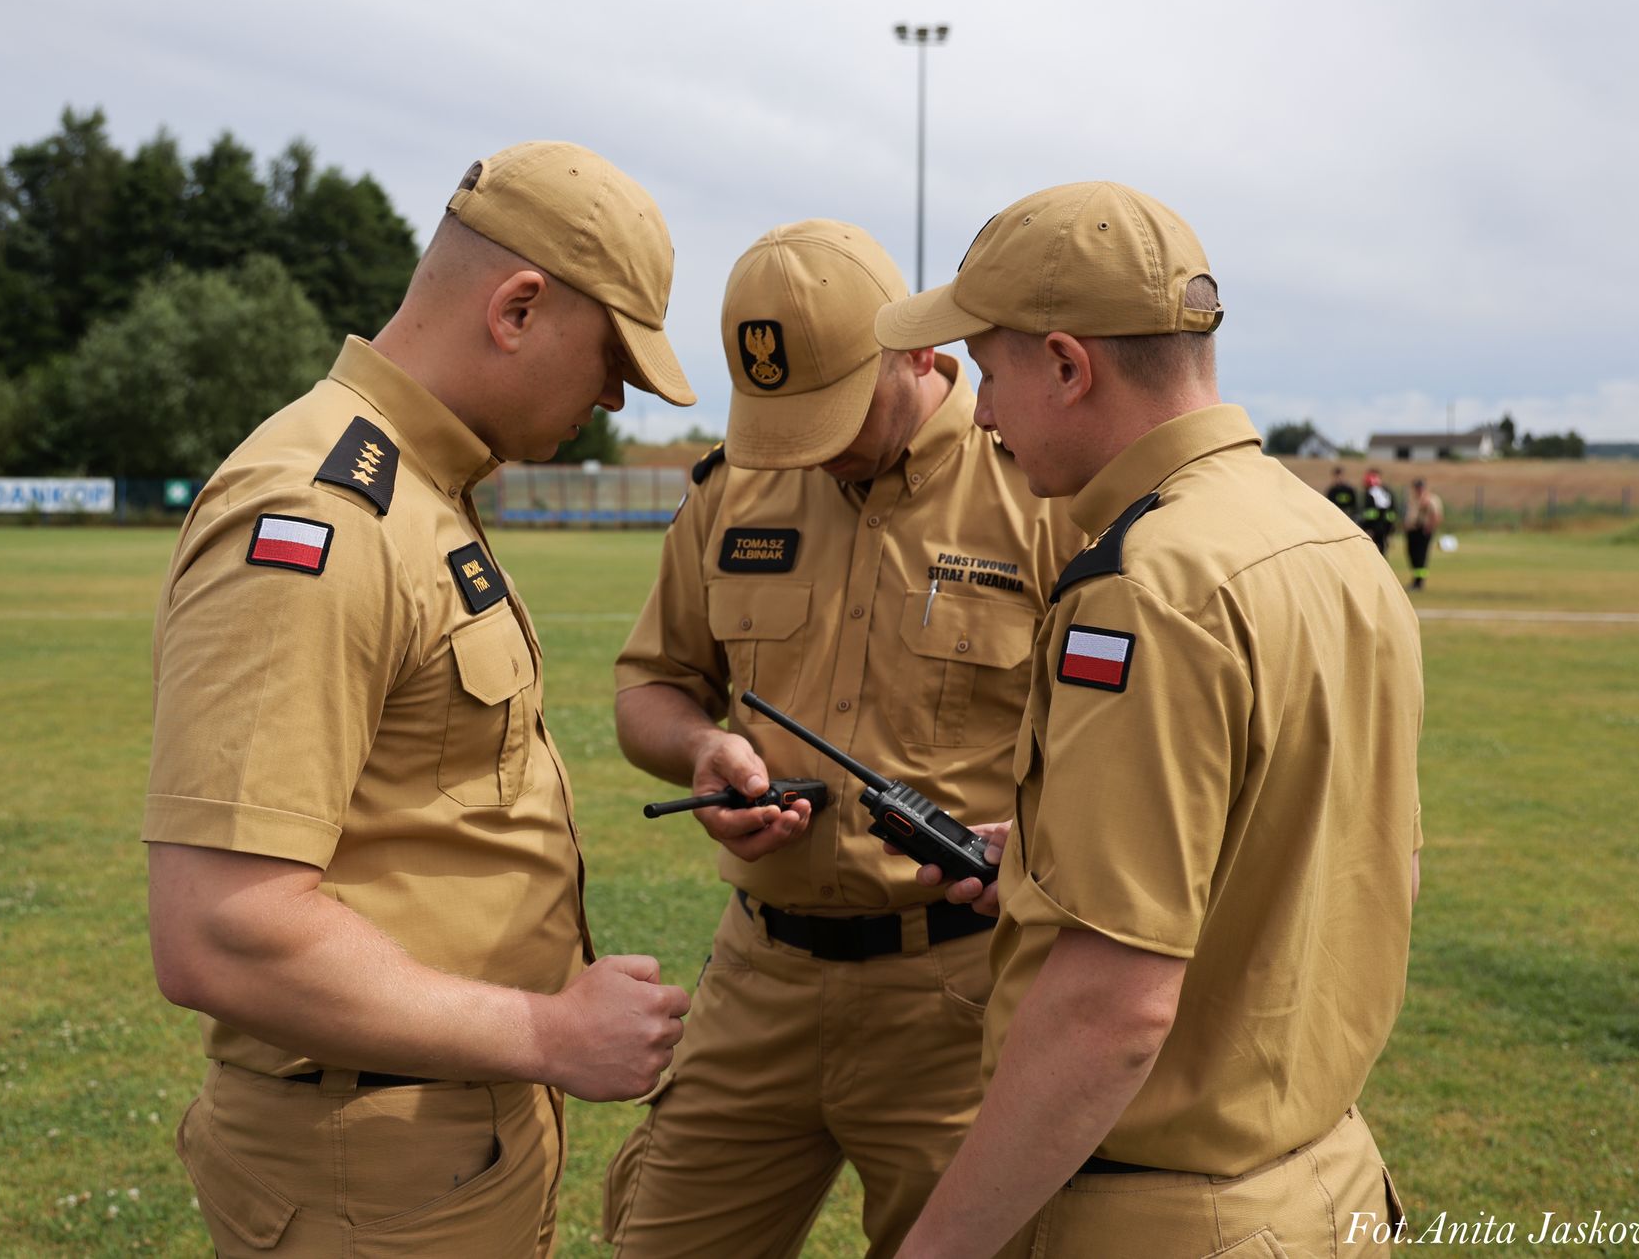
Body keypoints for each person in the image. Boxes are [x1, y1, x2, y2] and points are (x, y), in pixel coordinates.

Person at [141, 141, 699, 1258]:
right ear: (517, 307)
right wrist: (546, 1031)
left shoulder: (416, 487)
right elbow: (219, 930)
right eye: (609, 359)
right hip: (373, 1174)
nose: (609, 396)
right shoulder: (327, 513)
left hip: (433, 1134)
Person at [869, 180, 1423, 1258]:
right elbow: (1359, 864)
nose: (980, 414)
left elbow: (1109, 1011)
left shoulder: (1144, 586)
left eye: (989, 373)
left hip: (1164, 1214)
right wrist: (1051, 860)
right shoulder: (1331, 541)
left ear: (1066, 366)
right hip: (1325, 1179)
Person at [602, 219, 1082, 1259]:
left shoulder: (1042, 491)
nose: (807, 447)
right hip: (757, 981)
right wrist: (700, 750)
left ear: (919, 351)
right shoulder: (731, 488)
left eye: (831, 408)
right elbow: (651, 685)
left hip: (957, 996)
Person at [1405, 477, 1444, 591]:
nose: (1418, 489)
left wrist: (1430, 527)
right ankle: (1416, 578)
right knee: (1412, 554)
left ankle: (1419, 581)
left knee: (1421, 556)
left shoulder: (1431, 499)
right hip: (1412, 530)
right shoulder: (1412, 499)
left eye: (1420, 487)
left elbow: (1436, 515)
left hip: (1423, 530)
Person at [1361, 466, 1400, 557]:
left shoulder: (1372, 492)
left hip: (1376, 527)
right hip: (1385, 527)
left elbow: (1370, 513)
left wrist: (1367, 526)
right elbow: (1393, 511)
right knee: (1382, 551)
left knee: (1375, 552)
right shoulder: (1387, 491)